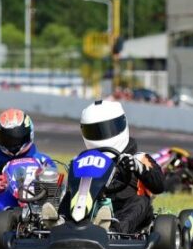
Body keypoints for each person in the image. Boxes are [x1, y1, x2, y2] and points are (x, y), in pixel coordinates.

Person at [57, 100, 164, 233]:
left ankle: (113, 229)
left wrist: (138, 167)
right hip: (93, 208)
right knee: (71, 194)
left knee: (141, 200)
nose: (102, 135)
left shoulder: (139, 158)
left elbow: (159, 185)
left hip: (128, 212)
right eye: (95, 131)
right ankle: (61, 222)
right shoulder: (84, 160)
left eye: (108, 129)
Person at [0, 108, 55, 213]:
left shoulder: (44, 161)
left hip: (39, 206)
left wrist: (41, 178)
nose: (12, 143)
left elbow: (54, 191)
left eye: (17, 139)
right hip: (6, 215)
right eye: (7, 139)